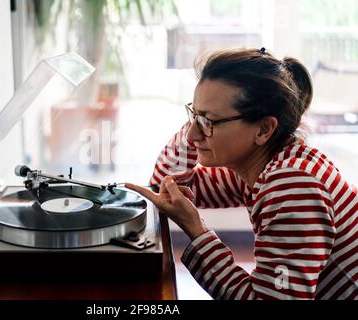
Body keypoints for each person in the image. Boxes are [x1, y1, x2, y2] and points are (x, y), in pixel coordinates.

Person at [125, 47, 358, 300]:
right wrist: (203, 116)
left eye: (208, 122)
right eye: (193, 115)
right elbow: (166, 183)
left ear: (263, 129)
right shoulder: (264, 166)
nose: (192, 135)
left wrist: (195, 229)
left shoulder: (292, 185)